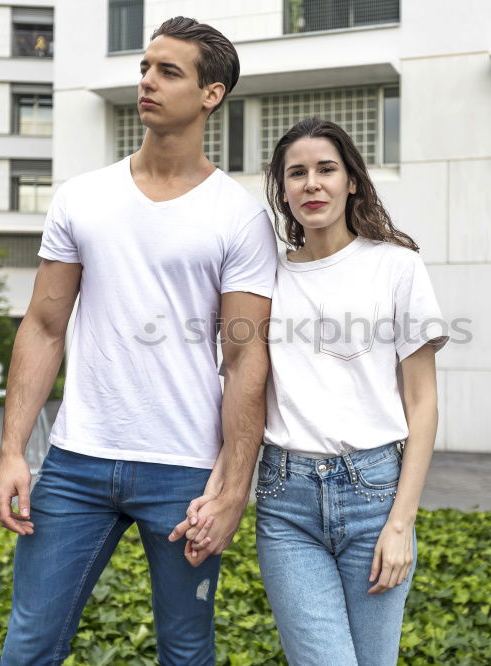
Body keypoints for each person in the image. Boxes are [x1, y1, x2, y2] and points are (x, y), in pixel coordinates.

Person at [0, 16, 277, 666]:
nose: (147, 81)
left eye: (168, 71)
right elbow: (43, 325)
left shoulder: (239, 217)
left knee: (185, 650)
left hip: (183, 471)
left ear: (212, 94)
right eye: (146, 67)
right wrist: (13, 452)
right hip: (74, 462)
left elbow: (244, 357)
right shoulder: (82, 198)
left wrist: (234, 489)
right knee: (30, 646)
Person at [180, 117, 447, 665]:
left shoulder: (397, 266)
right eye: (295, 173)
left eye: (326, 169)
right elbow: (244, 395)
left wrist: (402, 524)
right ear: (282, 190)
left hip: (373, 494)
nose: (311, 184)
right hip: (286, 504)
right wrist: (219, 490)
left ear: (352, 180)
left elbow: (422, 403)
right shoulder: (264, 278)